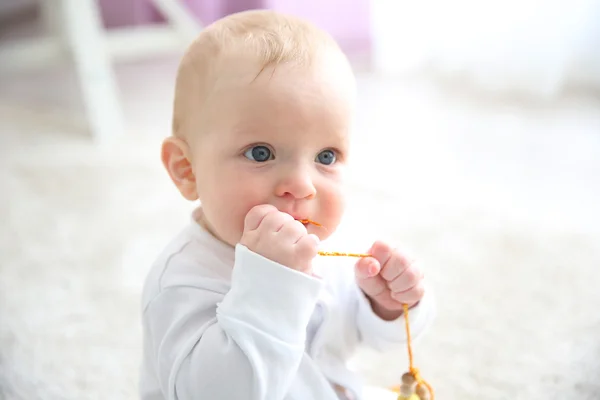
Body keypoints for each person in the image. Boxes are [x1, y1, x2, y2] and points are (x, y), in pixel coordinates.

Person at [139, 9, 435, 400]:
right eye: (260, 153)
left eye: (326, 157)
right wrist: (270, 284)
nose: (301, 185)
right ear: (186, 170)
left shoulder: (329, 245)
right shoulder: (182, 280)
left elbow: (367, 335)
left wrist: (384, 306)